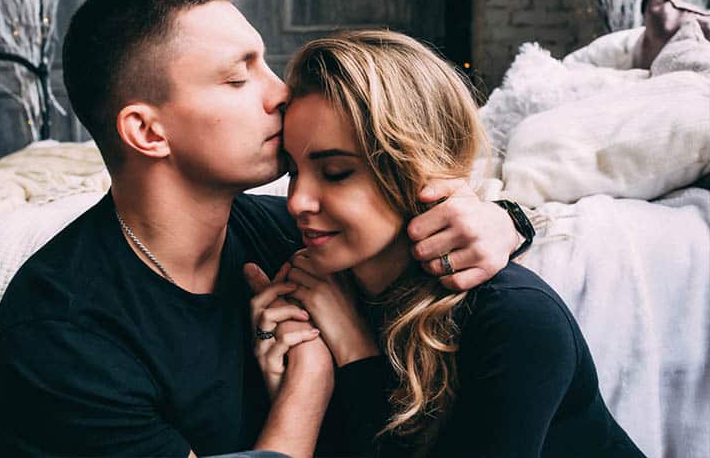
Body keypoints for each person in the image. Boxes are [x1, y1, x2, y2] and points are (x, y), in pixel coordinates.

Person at [0, 0, 527, 457]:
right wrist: (308, 387)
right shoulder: (62, 341)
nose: (281, 94)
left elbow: (404, 216)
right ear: (147, 131)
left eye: (267, 67)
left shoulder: (286, 231)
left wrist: (504, 221)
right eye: (239, 79)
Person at [247, 30, 645, 457]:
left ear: (417, 166)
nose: (297, 202)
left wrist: (355, 355)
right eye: (292, 171)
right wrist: (298, 389)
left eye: (337, 172)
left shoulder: (515, 320)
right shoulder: (308, 274)